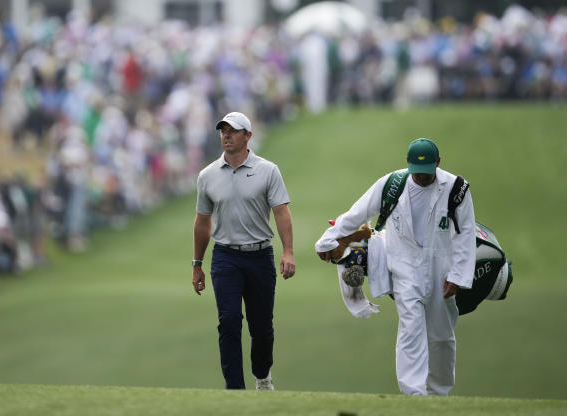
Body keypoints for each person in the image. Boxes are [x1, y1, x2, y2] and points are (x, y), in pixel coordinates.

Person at [316, 138, 475, 396]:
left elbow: (465, 233)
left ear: (439, 163)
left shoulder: (457, 189)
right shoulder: (391, 184)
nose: (422, 178)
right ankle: (414, 396)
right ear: (407, 164)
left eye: (427, 173)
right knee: (411, 329)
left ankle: (440, 394)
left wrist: (458, 274)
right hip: (404, 266)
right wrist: (328, 239)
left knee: (442, 337)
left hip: (441, 269)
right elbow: (358, 213)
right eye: (417, 173)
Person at [191, 111, 295, 391]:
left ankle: (262, 375)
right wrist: (197, 264)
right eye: (223, 130)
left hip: (260, 256)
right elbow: (202, 222)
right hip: (225, 257)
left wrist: (288, 252)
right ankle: (234, 390)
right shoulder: (207, 175)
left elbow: (281, 213)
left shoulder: (268, 170)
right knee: (228, 321)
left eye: (233, 131)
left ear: (247, 136)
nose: (226, 135)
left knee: (261, 327)